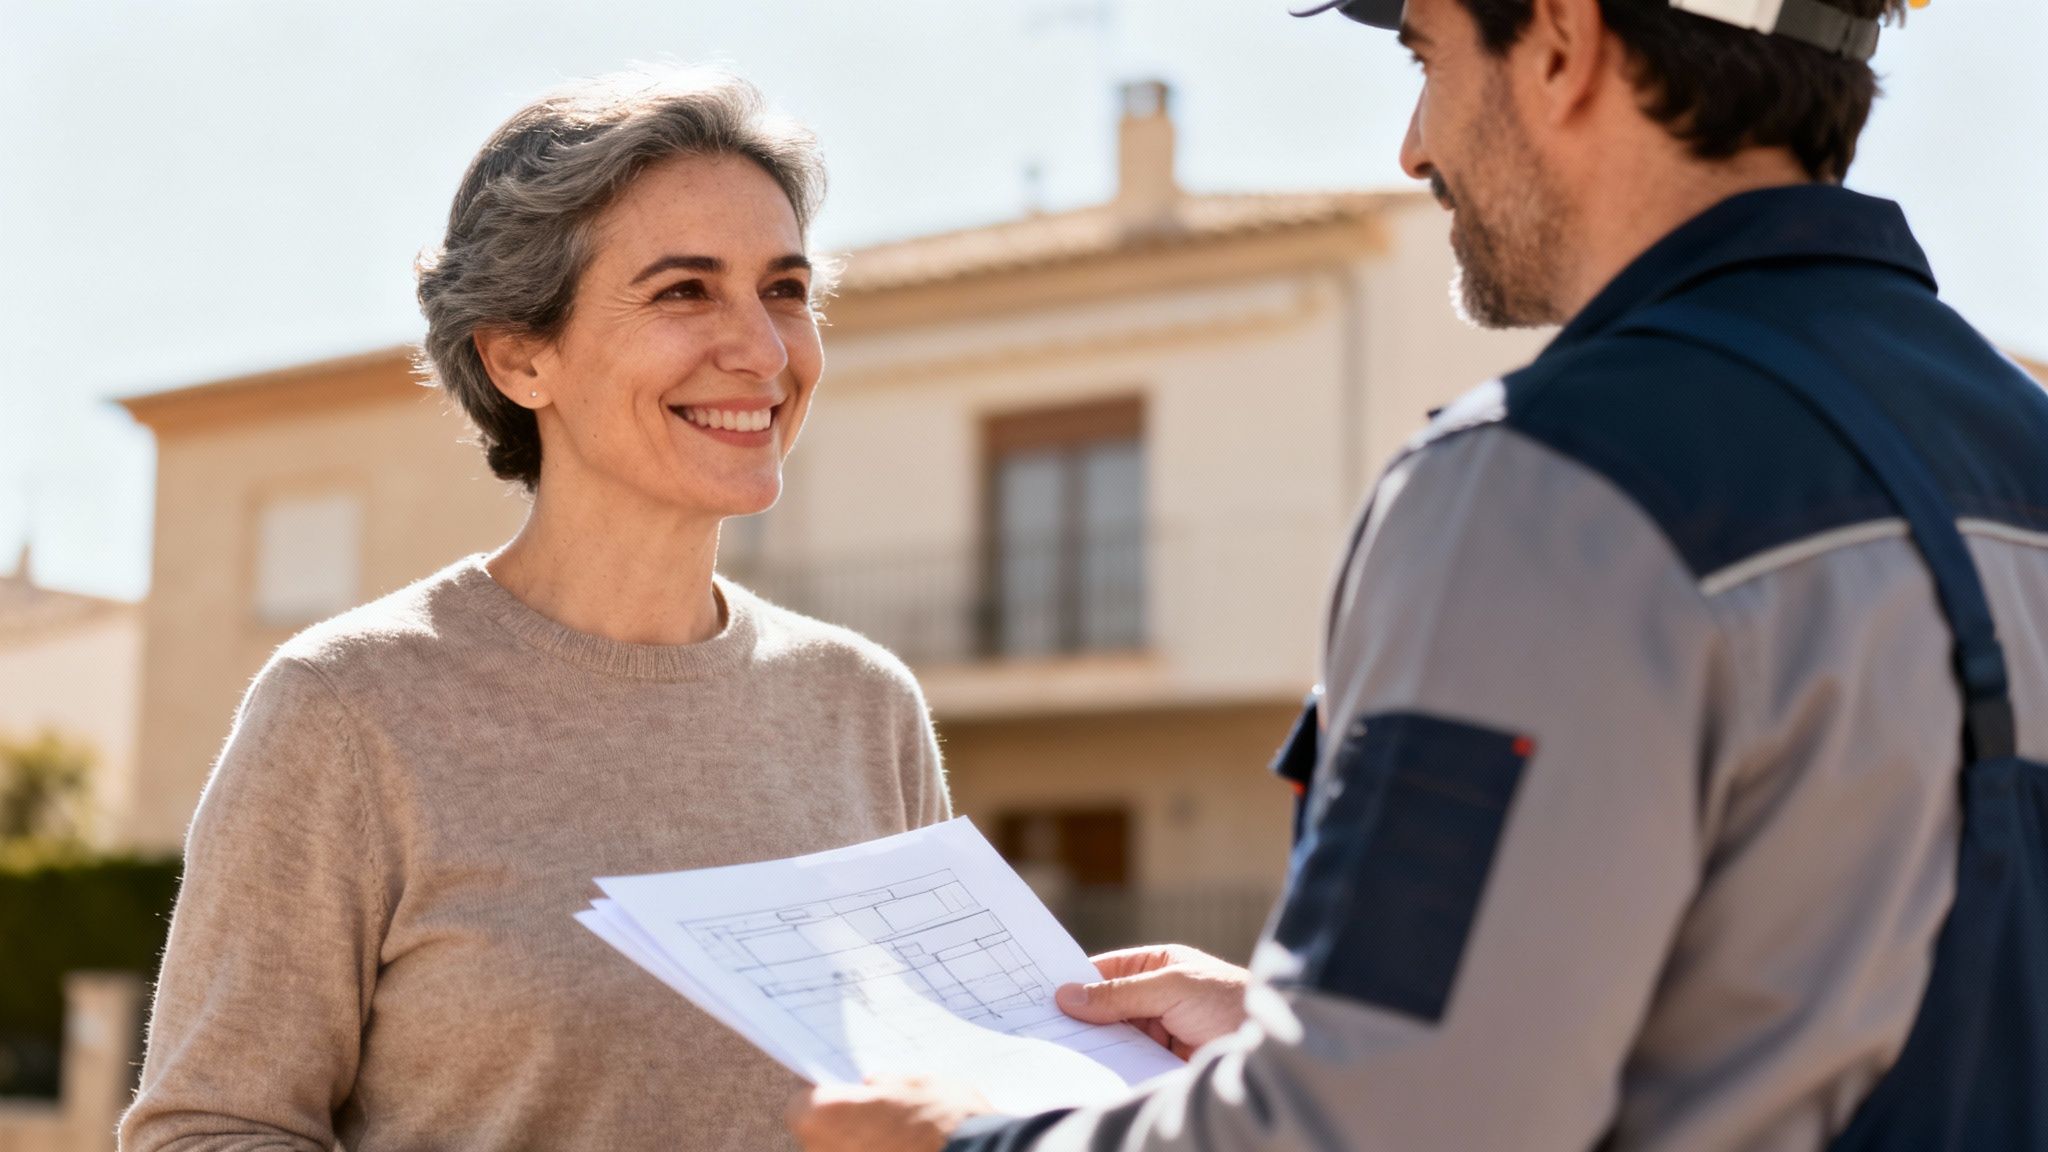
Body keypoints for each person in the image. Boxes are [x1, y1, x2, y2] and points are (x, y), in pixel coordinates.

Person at [789, 0, 2048, 1148]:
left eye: (1424, 55)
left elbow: (1384, 1131)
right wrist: (1306, 1020)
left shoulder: (1545, 485)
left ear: (1558, 42)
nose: (1410, 144)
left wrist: (966, 1143)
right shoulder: (2016, 449)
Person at [121, 69, 951, 1151]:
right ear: (519, 356)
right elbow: (206, 1129)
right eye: (683, 291)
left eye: (784, 289)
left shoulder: (862, 708)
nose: (761, 349)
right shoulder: (348, 709)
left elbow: (948, 1086)